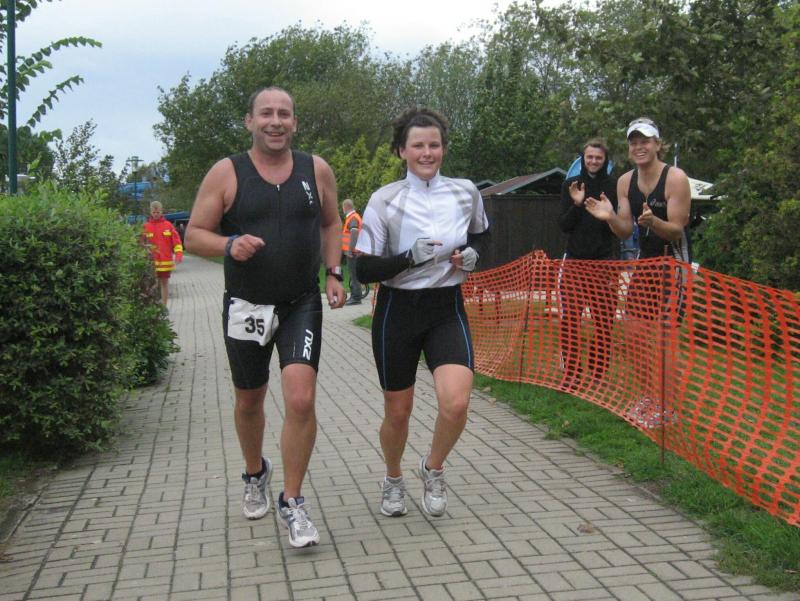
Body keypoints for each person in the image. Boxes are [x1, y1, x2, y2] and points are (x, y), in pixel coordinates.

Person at [184, 86, 346, 548]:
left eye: (284, 114)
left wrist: (334, 272)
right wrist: (229, 244)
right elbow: (193, 235)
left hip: (300, 303)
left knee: (301, 399)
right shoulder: (227, 172)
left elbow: (331, 222)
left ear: (295, 122)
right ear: (249, 121)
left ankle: (292, 502)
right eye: (266, 113)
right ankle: (255, 473)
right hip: (247, 307)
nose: (276, 121)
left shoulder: (316, 169)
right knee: (249, 400)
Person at [354, 107, 490, 518]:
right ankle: (393, 478)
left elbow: (483, 235)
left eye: (434, 145)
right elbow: (363, 269)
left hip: (445, 307)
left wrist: (472, 255)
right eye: (417, 146)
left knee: (456, 403)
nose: (427, 153)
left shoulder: (465, 192)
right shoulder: (385, 199)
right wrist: (406, 258)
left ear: (444, 149)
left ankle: (433, 467)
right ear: (402, 151)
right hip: (398, 311)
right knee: (398, 412)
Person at [617, 117, 691, 428]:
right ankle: (649, 396)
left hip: (672, 263)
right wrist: (608, 217)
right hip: (645, 264)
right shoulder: (625, 181)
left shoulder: (675, 178)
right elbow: (624, 230)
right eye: (634, 142)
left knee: (664, 338)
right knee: (632, 333)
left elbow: (675, 230)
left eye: (645, 141)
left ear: (657, 144)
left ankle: (668, 406)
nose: (639, 147)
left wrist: (653, 222)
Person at [557, 139, 631, 388]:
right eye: (589, 157)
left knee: (603, 321)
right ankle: (572, 373)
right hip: (575, 262)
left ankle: (598, 373)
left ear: (605, 160)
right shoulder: (570, 185)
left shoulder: (613, 187)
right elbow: (564, 225)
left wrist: (608, 214)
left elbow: (621, 228)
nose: (593, 161)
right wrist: (577, 204)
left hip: (604, 263)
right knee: (570, 321)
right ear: (583, 158)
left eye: (598, 158)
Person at [142, 200, 183, 305]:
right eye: (154, 212)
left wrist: (178, 255)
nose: (156, 214)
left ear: (161, 211)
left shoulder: (168, 226)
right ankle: (154, 306)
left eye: (158, 212)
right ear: (151, 212)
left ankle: (164, 307)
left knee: (164, 284)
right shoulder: (145, 227)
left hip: (165, 261)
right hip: (151, 263)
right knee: (153, 285)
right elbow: (141, 244)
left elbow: (177, 242)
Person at [341, 198, 367, 305]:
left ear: (345, 207)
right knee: (354, 275)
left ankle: (356, 297)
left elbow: (354, 231)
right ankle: (355, 296)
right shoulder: (354, 217)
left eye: (343, 208)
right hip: (355, 251)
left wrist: (350, 249)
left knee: (354, 275)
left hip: (352, 252)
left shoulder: (352, 218)